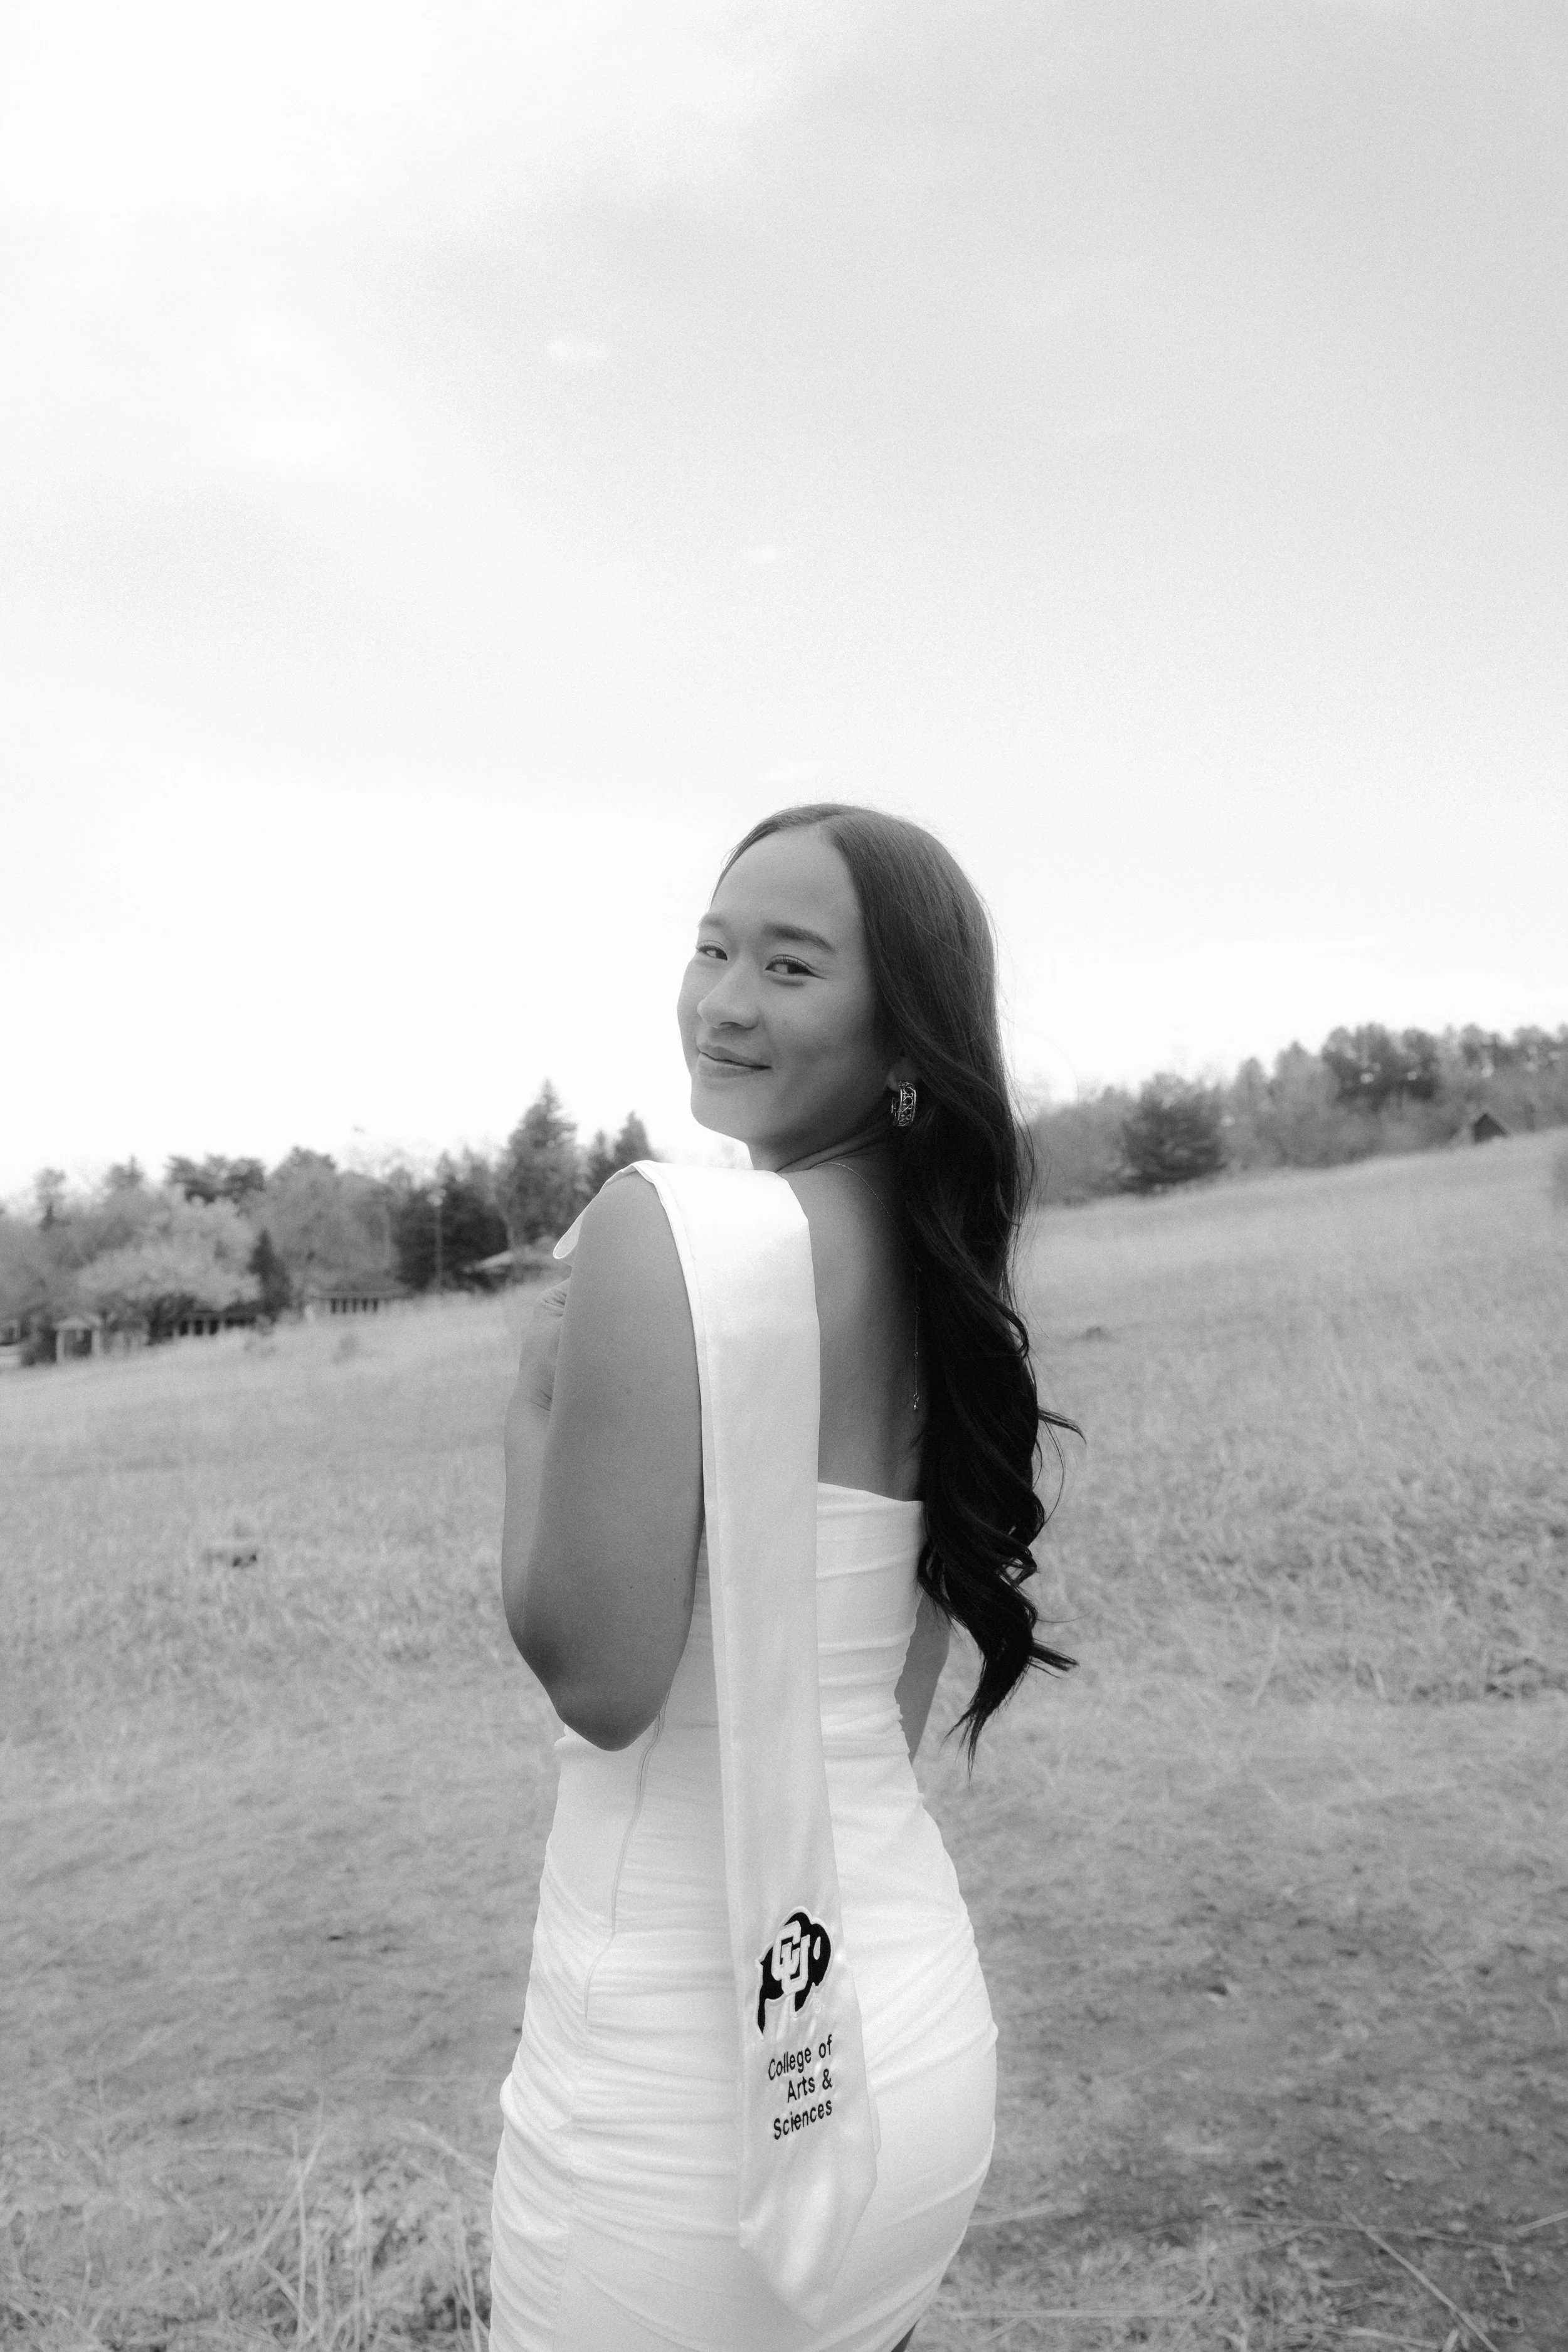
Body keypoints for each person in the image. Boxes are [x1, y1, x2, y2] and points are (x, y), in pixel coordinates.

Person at [489, 804, 1073, 2351]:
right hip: (909, 2047)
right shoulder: (948, 1274)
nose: (724, 999)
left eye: (790, 964)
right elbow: (878, 1705)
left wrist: (532, 1405)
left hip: (683, 2104)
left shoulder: (661, 1231)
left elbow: (602, 1682)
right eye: (711, 945)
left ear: (900, 1031)